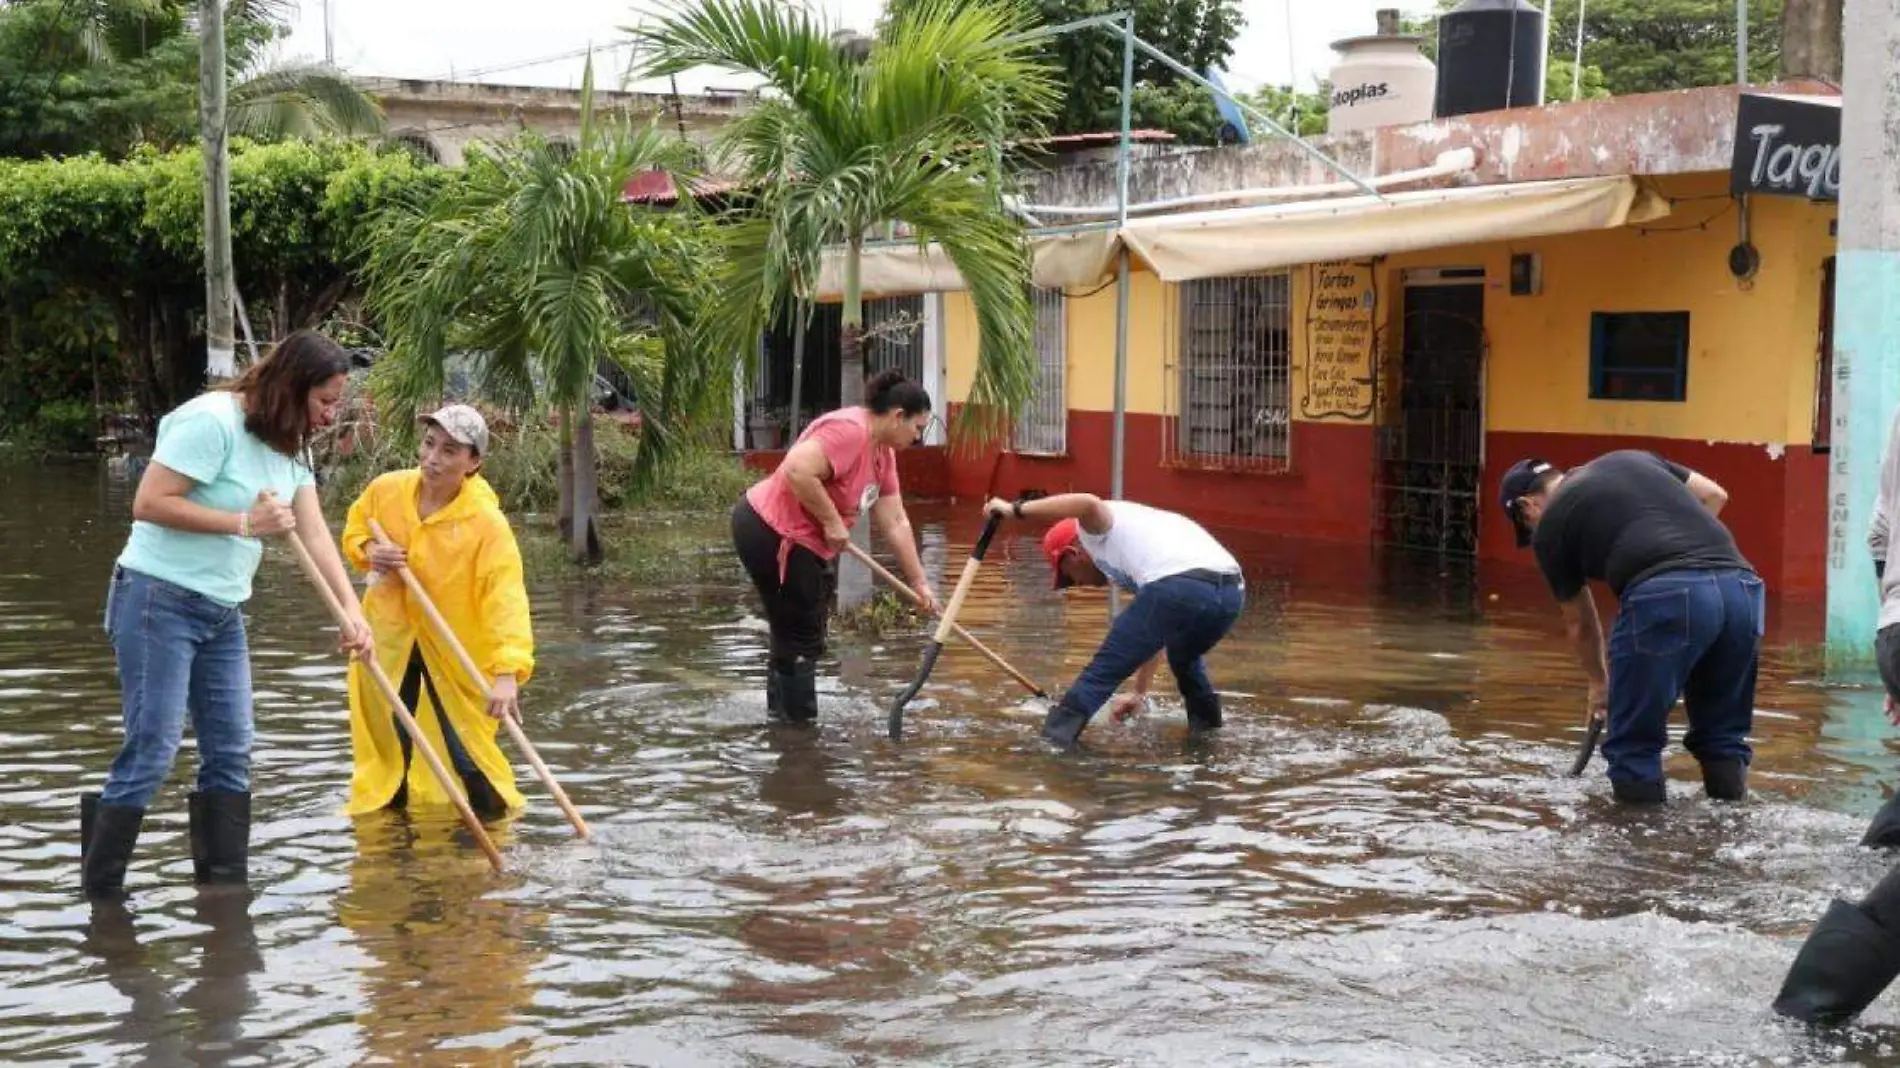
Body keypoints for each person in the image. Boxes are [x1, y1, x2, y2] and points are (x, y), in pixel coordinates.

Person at [82, 330, 373, 898]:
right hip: (156, 599)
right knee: (154, 749)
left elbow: (312, 530)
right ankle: (101, 899)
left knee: (233, 751)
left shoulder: (291, 443)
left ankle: (223, 900)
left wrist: (351, 611)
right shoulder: (211, 421)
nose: (331, 414)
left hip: (222, 611)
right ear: (292, 387)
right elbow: (148, 503)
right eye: (325, 400)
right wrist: (244, 525)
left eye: (336, 402)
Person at [1498, 451, 1763, 804]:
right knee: (1722, 736)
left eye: (1526, 526)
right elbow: (1715, 495)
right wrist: (1685, 554)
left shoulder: (1550, 528)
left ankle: (1638, 853)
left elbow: (1581, 624)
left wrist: (1599, 683)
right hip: (1743, 591)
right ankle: (1732, 831)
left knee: (1632, 744)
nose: (1533, 531)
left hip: (1666, 595)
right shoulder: (1633, 459)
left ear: (1527, 507)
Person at [340, 404, 534, 820]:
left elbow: (505, 597)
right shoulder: (387, 490)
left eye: (449, 451)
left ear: (473, 462)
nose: (432, 458)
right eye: (429, 444)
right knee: (392, 742)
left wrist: (506, 673)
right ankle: (395, 856)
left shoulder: (485, 523)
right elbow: (355, 528)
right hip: (390, 637)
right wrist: (372, 551)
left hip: (455, 646)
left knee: (467, 751)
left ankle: (492, 846)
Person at [732, 369, 940, 724]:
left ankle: (784, 726)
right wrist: (831, 521)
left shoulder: (882, 454)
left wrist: (919, 582)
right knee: (801, 632)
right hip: (770, 530)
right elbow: (797, 469)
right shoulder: (850, 431)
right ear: (897, 416)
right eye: (917, 428)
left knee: (794, 629)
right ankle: (800, 732)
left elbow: (895, 521)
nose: (918, 437)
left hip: (801, 541)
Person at [987, 493, 1246, 749]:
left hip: (1181, 585)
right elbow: (1154, 632)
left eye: (1068, 577)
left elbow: (1087, 503)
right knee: (1185, 661)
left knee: (1100, 674)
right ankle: (1207, 741)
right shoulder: (1142, 549)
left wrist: (1015, 510)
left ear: (1072, 553)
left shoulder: (1091, 533)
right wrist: (1139, 693)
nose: (1077, 585)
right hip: (1231, 594)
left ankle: (1050, 749)